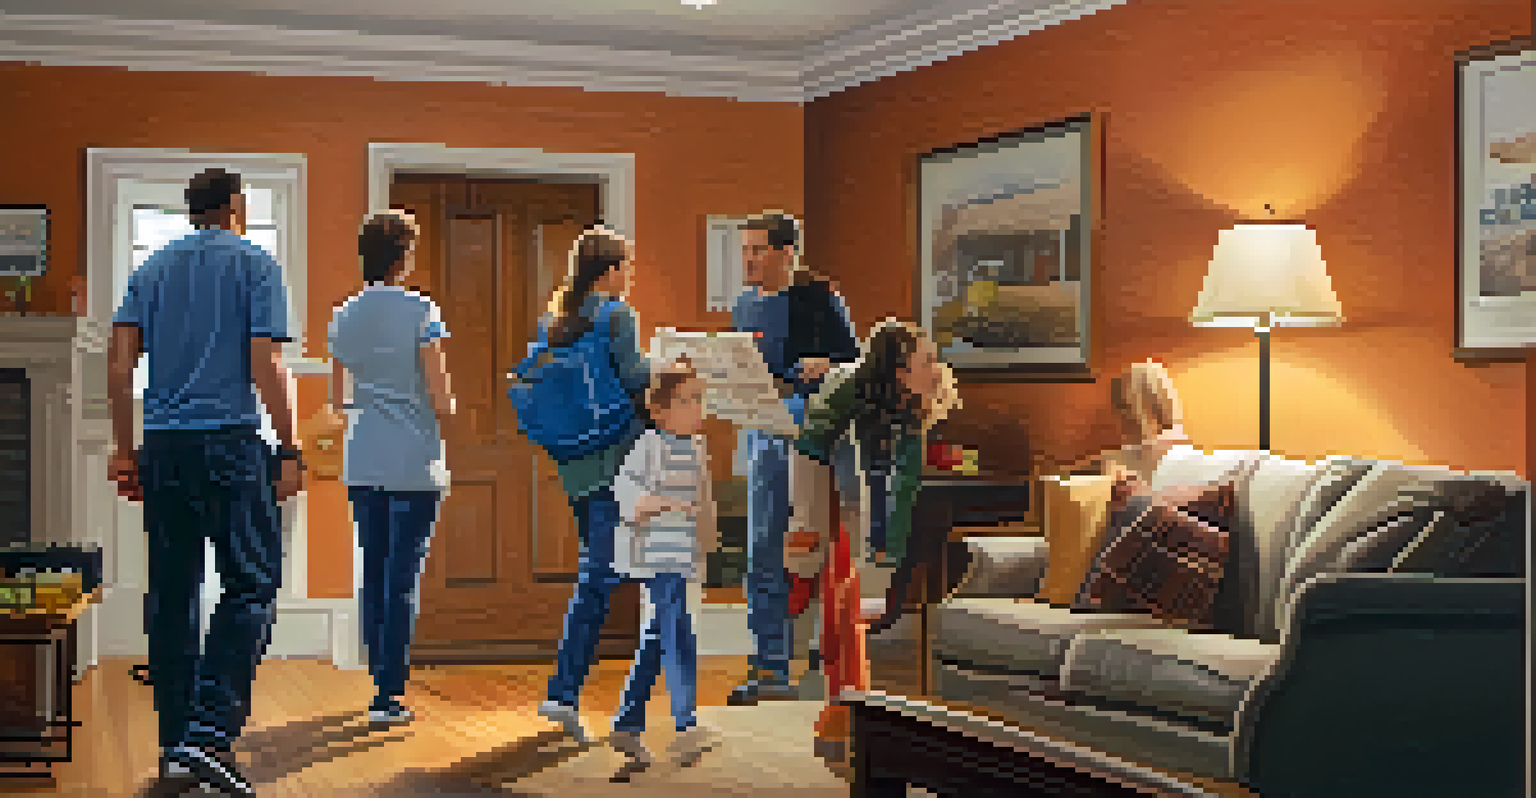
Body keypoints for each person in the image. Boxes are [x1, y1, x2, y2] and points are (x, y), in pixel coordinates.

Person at [107, 167, 303, 797]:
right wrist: (291, 446)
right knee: (252, 583)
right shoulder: (254, 264)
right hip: (229, 446)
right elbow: (265, 361)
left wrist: (124, 448)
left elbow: (118, 359)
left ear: (191, 210)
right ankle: (208, 735)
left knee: (171, 592)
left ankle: (176, 746)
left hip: (164, 448)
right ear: (235, 207)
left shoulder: (153, 269)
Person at [785, 320, 959, 767]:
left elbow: (902, 491)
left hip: (866, 514)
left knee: (862, 615)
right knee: (843, 620)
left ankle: (853, 722)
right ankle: (844, 719)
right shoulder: (846, 389)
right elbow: (807, 458)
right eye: (927, 361)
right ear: (899, 370)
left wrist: (886, 560)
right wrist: (808, 543)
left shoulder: (913, 413)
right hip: (832, 505)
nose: (936, 368)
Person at [325, 212, 456, 725]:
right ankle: (389, 695)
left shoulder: (342, 315)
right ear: (402, 256)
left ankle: (378, 681)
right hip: (413, 460)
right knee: (402, 578)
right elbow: (442, 399)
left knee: (374, 571)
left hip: (363, 457)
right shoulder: (421, 311)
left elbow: (338, 399)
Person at [729, 212, 861, 705]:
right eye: (744, 249)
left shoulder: (820, 299)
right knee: (761, 547)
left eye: (757, 249)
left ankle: (816, 661)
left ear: (787, 253)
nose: (748, 258)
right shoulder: (744, 306)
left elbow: (856, 363)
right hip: (759, 430)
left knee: (802, 546)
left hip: (806, 433)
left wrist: (829, 364)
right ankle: (769, 664)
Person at [535, 226, 652, 745]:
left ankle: (566, 693)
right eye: (625, 266)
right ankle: (562, 693)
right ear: (609, 272)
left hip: (576, 467)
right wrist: (670, 365)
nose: (629, 277)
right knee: (599, 578)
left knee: (599, 572)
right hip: (614, 464)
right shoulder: (617, 316)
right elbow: (635, 379)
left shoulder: (557, 319)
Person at [607, 358, 724, 780]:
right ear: (659, 410)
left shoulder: (695, 450)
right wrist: (658, 505)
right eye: (687, 401)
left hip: (681, 554)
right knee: (678, 632)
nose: (697, 409)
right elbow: (626, 490)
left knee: (657, 637)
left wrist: (705, 547)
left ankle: (626, 722)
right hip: (656, 556)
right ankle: (686, 722)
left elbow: (704, 505)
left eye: (699, 400)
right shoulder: (648, 447)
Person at [1069, 359, 1190, 481]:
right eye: (1118, 408)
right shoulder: (1128, 452)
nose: (1120, 418)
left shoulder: (1180, 457)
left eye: (1125, 407)